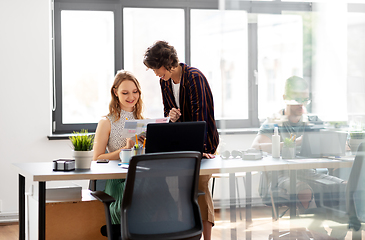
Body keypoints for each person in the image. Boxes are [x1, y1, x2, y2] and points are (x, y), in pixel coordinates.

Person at [143, 40, 219, 240]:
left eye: (157, 69)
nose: (156, 74)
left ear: (168, 62)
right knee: (178, 189)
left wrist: (200, 150)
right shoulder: (165, 82)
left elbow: (200, 119)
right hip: (180, 146)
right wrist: (171, 117)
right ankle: (183, 234)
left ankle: (207, 238)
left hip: (203, 145)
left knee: (200, 186)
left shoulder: (194, 77)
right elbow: (168, 116)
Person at [251, 76, 346, 215]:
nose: (302, 104)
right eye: (297, 99)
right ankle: (315, 230)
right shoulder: (274, 121)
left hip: (309, 173)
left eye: (305, 99)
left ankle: (336, 231)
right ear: (285, 97)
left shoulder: (313, 121)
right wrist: (295, 142)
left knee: (344, 186)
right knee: (305, 191)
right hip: (279, 176)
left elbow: (329, 145)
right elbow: (255, 147)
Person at [93, 70, 144, 224]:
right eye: (125, 93)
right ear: (115, 93)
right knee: (130, 208)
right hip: (119, 179)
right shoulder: (107, 122)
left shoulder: (143, 121)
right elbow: (97, 158)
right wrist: (125, 150)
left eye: (135, 92)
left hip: (141, 177)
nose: (131, 97)